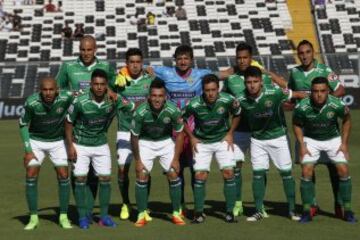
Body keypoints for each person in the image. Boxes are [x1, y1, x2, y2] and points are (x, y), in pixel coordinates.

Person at [222, 42, 289, 217]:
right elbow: (226, 102)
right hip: (241, 129)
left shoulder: (263, 78)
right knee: (235, 164)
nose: (242, 61)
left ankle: (260, 205)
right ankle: (237, 203)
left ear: (251, 59)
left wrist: (269, 73)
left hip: (261, 132)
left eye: (245, 57)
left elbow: (284, 87)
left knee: (260, 169)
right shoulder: (231, 78)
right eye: (239, 58)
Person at [56, 35, 117, 223]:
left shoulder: (106, 67)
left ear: (95, 49)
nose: (86, 53)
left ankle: (91, 210)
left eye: (89, 49)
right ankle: (82, 213)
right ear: (79, 49)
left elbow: (113, 88)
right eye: (82, 49)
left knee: (96, 174)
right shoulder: (68, 67)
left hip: (96, 126)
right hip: (74, 125)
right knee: (79, 173)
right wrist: (72, 93)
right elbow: (57, 89)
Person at [65, 69, 134, 229]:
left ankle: (104, 216)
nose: (99, 87)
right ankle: (82, 217)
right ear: (91, 85)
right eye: (96, 84)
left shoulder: (113, 100)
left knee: (105, 179)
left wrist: (121, 98)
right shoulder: (79, 101)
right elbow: (68, 123)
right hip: (80, 145)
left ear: (106, 86)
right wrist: (70, 146)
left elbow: (132, 106)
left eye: (102, 84)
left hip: (101, 145)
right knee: (80, 180)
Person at [148, 45, 212, 216]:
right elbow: (145, 69)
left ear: (192, 60)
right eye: (180, 58)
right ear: (174, 59)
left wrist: (251, 66)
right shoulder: (165, 73)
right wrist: (125, 71)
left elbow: (225, 74)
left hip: (194, 129)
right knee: (177, 169)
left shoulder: (201, 75)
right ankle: (180, 205)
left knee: (196, 169)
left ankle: (198, 207)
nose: (183, 61)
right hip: (173, 130)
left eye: (186, 58)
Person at [288, 40, 345, 218]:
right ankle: (311, 204)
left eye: (307, 52)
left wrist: (325, 106)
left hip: (327, 129)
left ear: (314, 53)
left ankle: (339, 203)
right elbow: (291, 94)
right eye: (301, 53)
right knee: (307, 168)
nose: (304, 56)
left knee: (334, 168)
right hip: (305, 130)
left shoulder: (325, 71)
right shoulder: (294, 72)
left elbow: (341, 89)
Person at [238, 66, 301, 222]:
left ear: (261, 82)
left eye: (255, 81)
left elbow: (297, 94)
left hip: (278, 138)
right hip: (257, 140)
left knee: (286, 174)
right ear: (245, 83)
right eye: (248, 82)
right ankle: (259, 210)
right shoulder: (240, 99)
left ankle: (292, 210)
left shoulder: (275, 92)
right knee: (258, 174)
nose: (252, 85)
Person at [293, 77, 356, 223]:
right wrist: (302, 144)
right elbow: (296, 124)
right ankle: (307, 210)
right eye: (315, 91)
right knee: (306, 171)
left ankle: (347, 210)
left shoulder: (337, 104)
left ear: (328, 91)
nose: (319, 94)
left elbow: (347, 120)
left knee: (343, 169)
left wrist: (344, 143)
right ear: (311, 92)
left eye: (322, 91)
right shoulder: (302, 106)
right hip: (311, 139)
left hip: (333, 139)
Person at [183, 74, 240, 223]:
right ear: (202, 90)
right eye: (207, 90)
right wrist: (191, 137)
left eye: (213, 90)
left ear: (218, 89)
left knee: (228, 173)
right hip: (202, 142)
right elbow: (181, 119)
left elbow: (238, 114)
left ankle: (229, 212)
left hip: (222, 140)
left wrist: (230, 133)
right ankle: (199, 213)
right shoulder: (193, 104)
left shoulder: (227, 100)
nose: (211, 93)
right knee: (200, 176)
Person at [19, 77, 73, 230]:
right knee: (31, 173)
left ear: (57, 90)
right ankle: (33, 218)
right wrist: (28, 150)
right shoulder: (31, 103)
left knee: (64, 175)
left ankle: (63, 216)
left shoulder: (66, 97)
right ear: (40, 90)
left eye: (51, 89)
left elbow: (83, 96)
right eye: (45, 90)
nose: (48, 93)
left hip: (58, 141)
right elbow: (23, 125)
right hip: (36, 141)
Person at [131, 79, 185, 227]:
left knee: (173, 172)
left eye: (160, 96)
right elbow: (134, 137)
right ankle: (141, 213)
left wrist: (176, 158)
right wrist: (137, 160)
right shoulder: (140, 112)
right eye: (154, 95)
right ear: (149, 96)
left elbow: (180, 134)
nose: (157, 99)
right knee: (142, 174)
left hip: (165, 141)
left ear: (165, 97)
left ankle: (176, 213)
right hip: (145, 142)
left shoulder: (173, 110)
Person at [112, 48, 154, 221]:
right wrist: (118, 76)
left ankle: (144, 206)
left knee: (144, 169)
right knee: (122, 170)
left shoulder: (150, 79)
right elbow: (107, 91)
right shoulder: (119, 79)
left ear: (142, 63)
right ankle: (125, 203)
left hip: (145, 132)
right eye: (132, 62)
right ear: (126, 64)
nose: (135, 65)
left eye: (138, 62)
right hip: (124, 130)